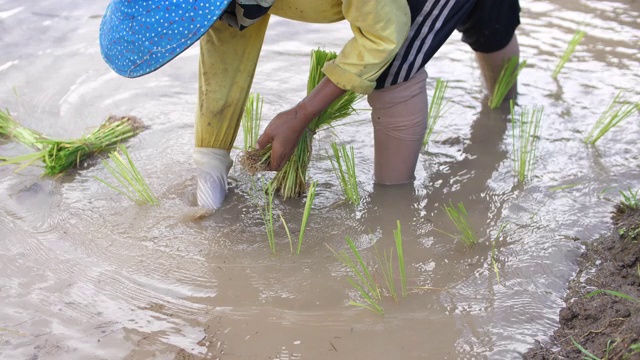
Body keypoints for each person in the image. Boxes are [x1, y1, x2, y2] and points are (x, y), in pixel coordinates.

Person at [100, 0, 521, 210]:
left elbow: (383, 33)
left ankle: (393, 207)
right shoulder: (220, 7)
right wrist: (211, 154)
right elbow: (227, 44)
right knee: (491, 20)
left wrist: (303, 114)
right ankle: (503, 113)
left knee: (394, 71)